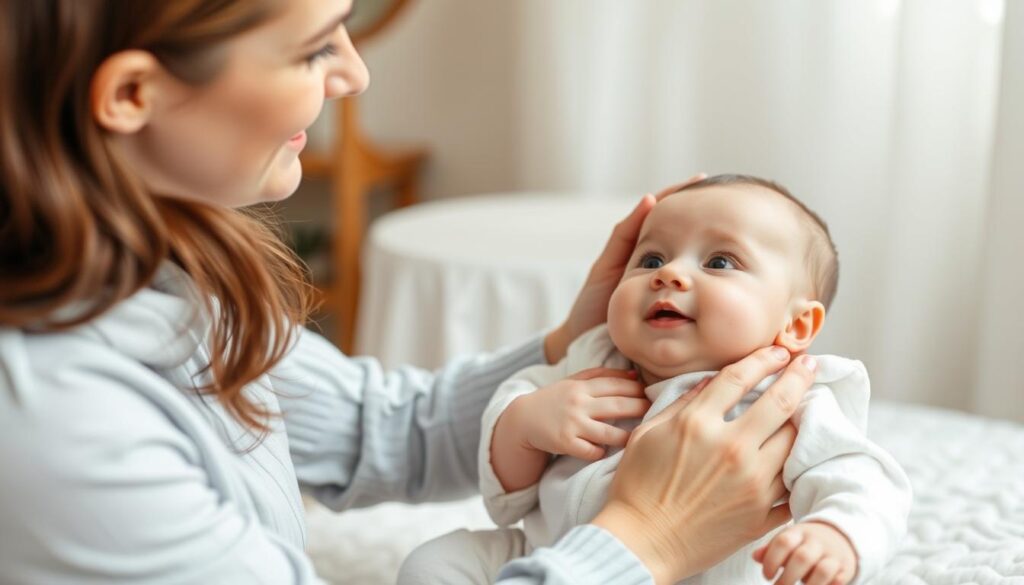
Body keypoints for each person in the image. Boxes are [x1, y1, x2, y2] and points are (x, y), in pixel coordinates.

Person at [0, 2, 819, 583]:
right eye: (316, 46)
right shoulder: (48, 418)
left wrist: (570, 351)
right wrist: (648, 539)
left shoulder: (168, 272)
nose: (353, 75)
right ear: (133, 94)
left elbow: (376, 429)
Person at [400, 175, 912, 585]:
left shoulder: (786, 399)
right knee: (434, 564)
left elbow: (866, 478)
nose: (670, 275)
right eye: (651, 259)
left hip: (703, 576)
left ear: (796, 324)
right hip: (552, 553)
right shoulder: (594, 355)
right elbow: (507, 486)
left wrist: (837, 534)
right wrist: (524, 424)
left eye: (719, 261)